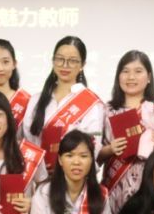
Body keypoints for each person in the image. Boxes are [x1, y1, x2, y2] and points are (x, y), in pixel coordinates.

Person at [98, 50, 154, 214]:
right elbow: (93, 154)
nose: (131, 77)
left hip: (149, 189)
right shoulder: (106, 110)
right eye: (125, 71)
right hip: (114, 190)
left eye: (138, 71)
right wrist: (110, 149)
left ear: (149, 77)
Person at [23, 36, 105, 171]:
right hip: (39, 177)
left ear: (82, 65)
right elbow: (28, 141)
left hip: (73, 177)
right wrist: (41, 173)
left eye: (72, 61)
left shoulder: (92, 104)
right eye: (60, 59)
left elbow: (93, 147)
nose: (65, 65)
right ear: (53, 61)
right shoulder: (36, 100)